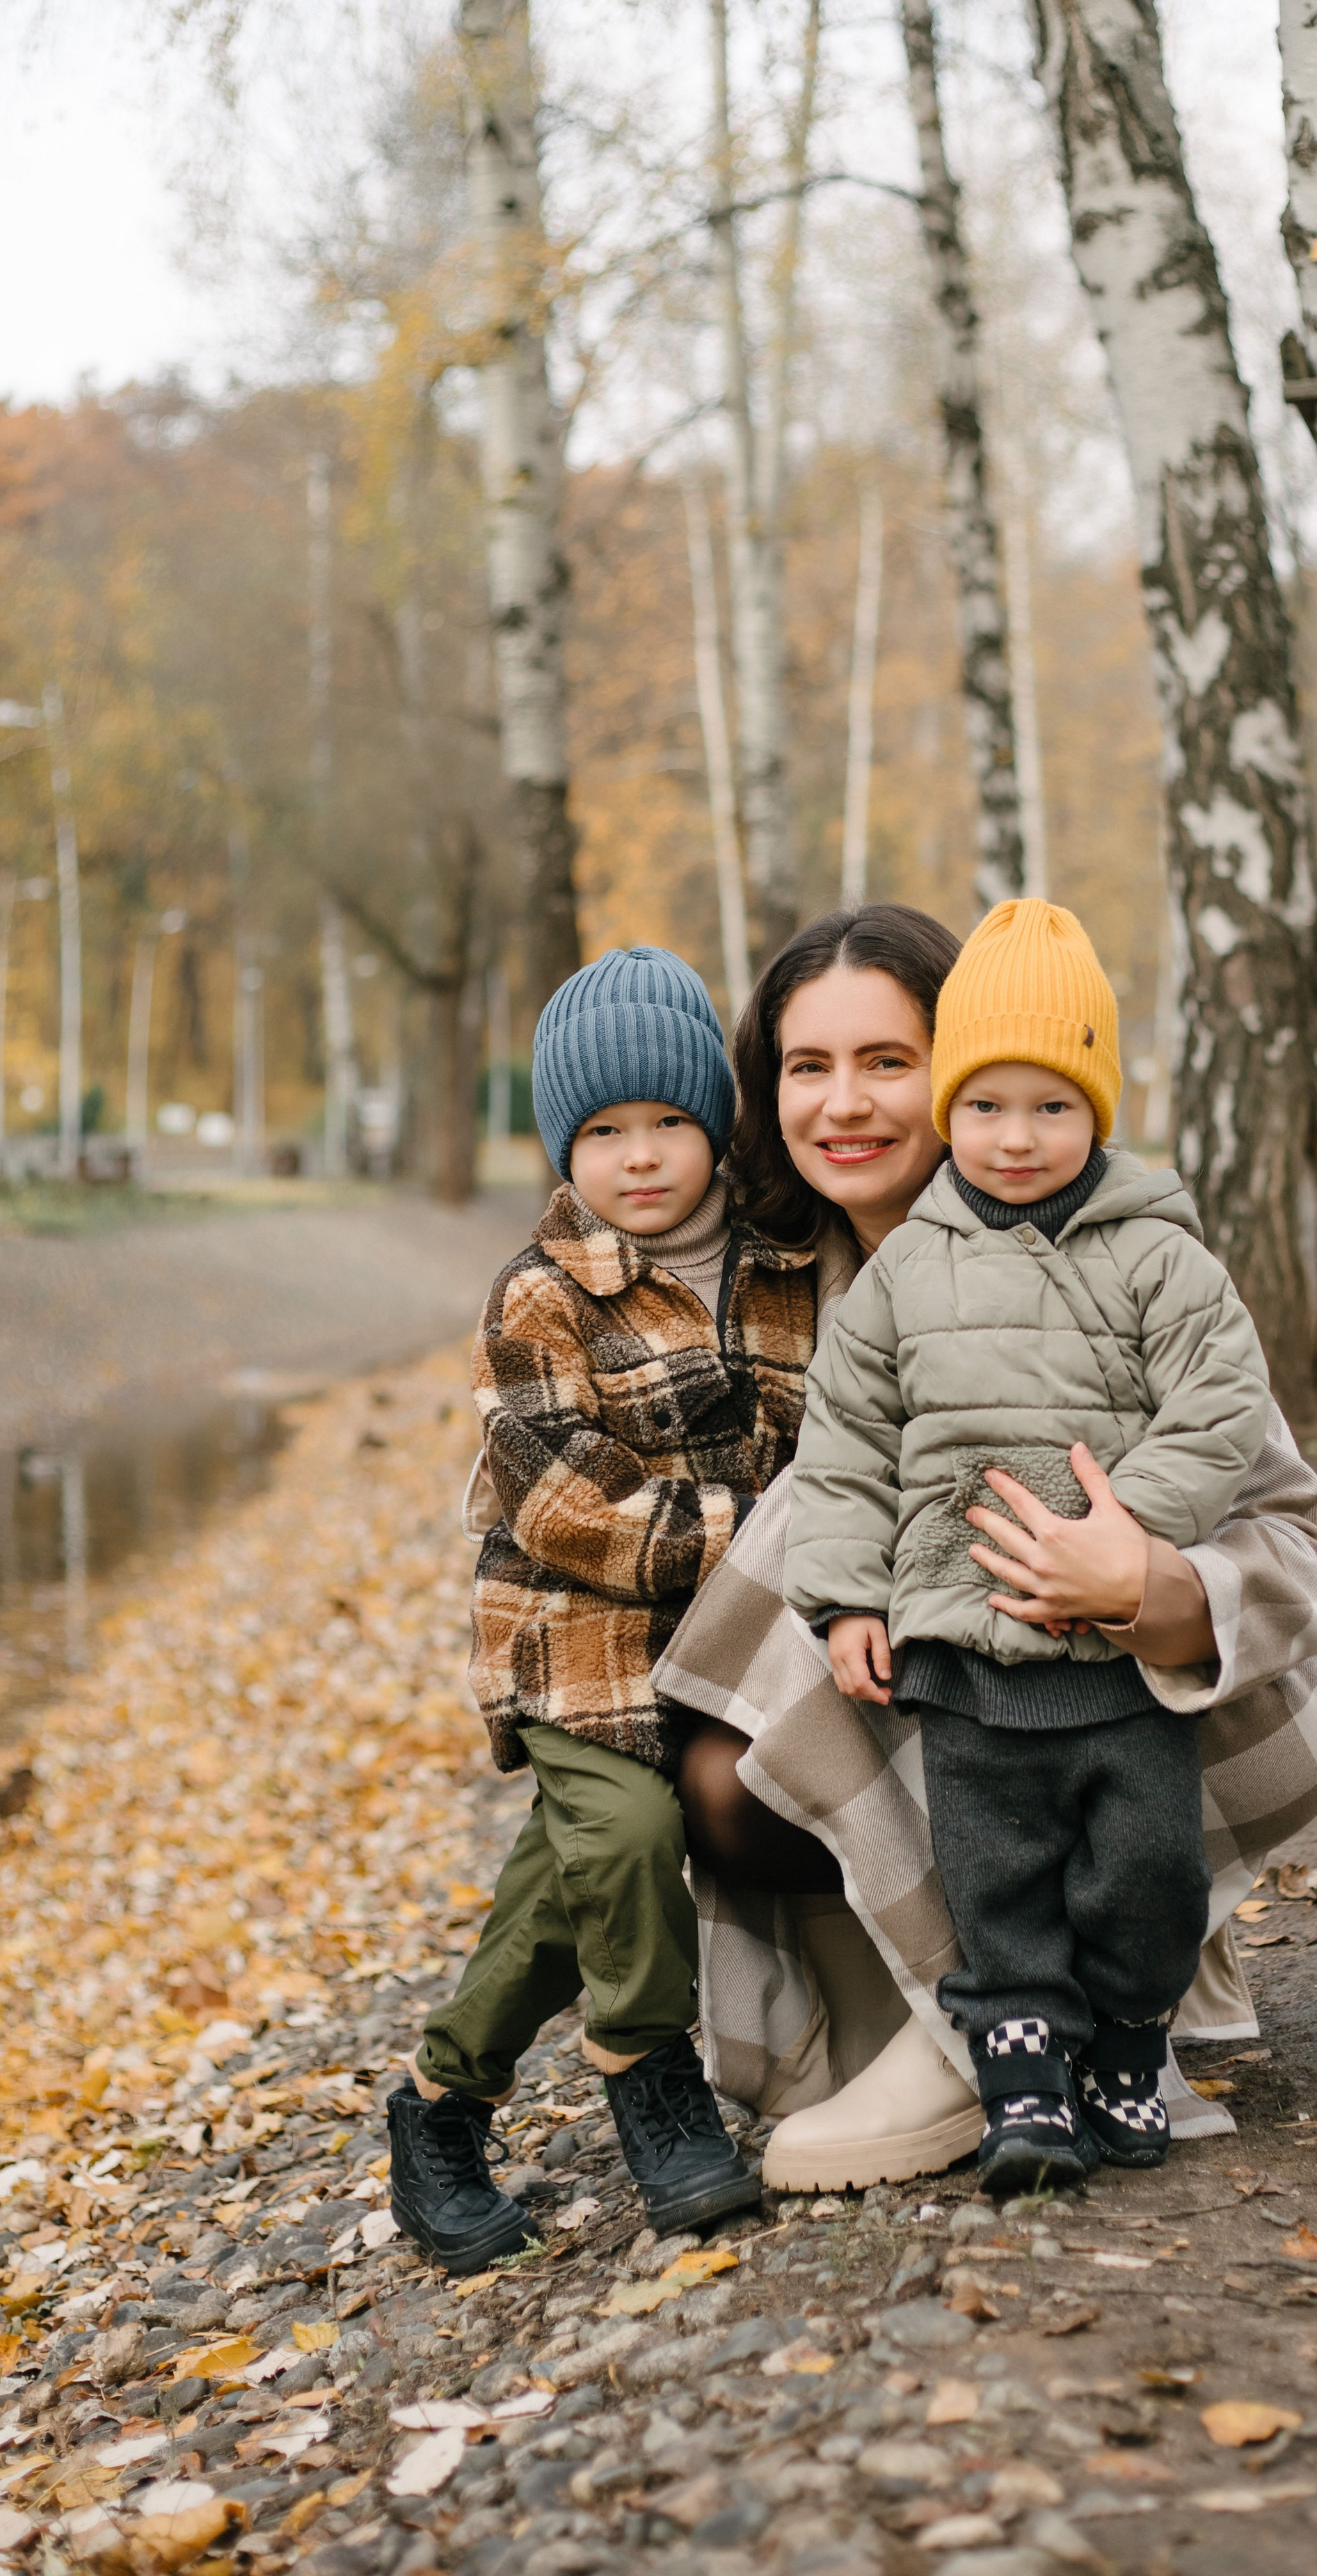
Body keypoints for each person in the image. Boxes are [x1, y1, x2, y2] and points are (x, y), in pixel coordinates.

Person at [655, 903, 1317, 2195]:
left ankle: (1031, 2024)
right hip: (971, 1691)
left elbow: (1290, 1536)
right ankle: (958, 2003)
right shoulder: (798, 1284)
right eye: (808, 1065)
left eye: (888, 1060)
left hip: (1201, 1675)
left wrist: (1145, 1581)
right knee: (719, 1740)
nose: (844, 1102)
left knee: (824, 1528)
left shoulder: (1123, 1247)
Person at [784, 899, 1272, 2190]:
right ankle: (1024, 2089)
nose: (1016, 1136)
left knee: (1146, 1864)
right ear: (952, 1107)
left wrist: (1130, 1530)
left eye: (1052, 1106)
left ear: (1099, 1109)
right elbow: (847, 1441)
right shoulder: (904, 1274)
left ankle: (1127, 2037)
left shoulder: (1159, 1255)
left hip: (1115, 1653)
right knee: (993, 1871)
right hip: (965, 1642)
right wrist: (846, 1597)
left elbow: (1218, 1405)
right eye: (986, 1105)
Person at [387, 945, 820, 2270]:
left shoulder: (786, 1260)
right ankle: (649, 2069)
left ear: (717, 1123)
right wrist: (770, 1530)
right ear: (564, 1146)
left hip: (738, 1642)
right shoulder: (539, 1294)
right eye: (604, 1132)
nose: (640, 1156)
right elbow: (571, 1506)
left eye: (670, 1121)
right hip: (576, 1641)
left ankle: (438, 2104)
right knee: (628, 1833)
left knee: (564, 1884)